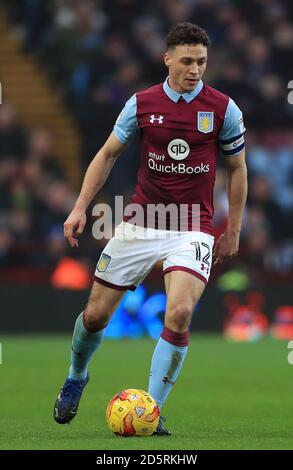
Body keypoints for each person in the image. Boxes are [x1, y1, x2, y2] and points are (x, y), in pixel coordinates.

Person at [53, 22, 247, 435]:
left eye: (202, 62)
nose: (195, 70)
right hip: (142, 219)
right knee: (94, 316)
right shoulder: (141, 103)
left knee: (178, 313)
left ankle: (151, 410)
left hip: (193, 225)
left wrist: (233, 228)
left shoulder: (223, 108)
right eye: (188, 61)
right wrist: (80, 208)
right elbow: (107, 155)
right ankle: (76, 376)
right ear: (168, 59)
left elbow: (237, 167)